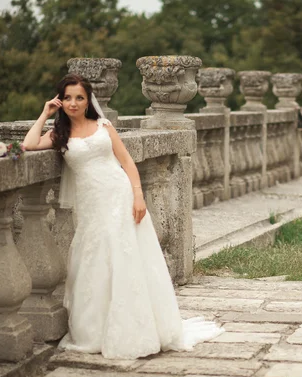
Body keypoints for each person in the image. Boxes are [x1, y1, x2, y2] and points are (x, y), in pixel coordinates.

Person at [23, 74, 223, 359]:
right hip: (92, 204)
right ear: (60, 100)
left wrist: (138, 194)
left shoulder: (103, 125)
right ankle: (97, 329)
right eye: (67, 97)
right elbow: (29, 145)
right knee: (97, 258)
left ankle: (138, 328)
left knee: (128, 257)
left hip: (120, 196)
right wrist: (45, 113)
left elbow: (127, 161)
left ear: (88, 99)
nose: (73, 103)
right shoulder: (60, 134)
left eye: (79, 97)